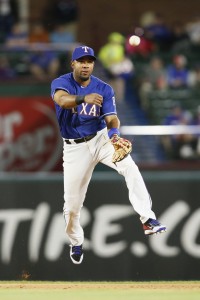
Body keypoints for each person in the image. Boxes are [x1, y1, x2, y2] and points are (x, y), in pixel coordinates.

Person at [50, 45, 166, 264]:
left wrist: (114, 135)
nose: (86, 64)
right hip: (74, 148)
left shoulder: (104, 88)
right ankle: (76, 241)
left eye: (90, 61)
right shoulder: (61, 82)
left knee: (130, 167)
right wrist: (84, 98)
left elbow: (112, 118)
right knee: (72, 205)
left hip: (100, 139)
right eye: (81, 61)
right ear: (73, 63)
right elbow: (62, 101)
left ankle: (148, 219)